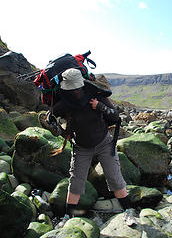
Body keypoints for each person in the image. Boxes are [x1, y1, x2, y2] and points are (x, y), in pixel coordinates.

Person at [41, 68, 137, 227]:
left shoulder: (95, 94)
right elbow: (50, 115)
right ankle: (68, 217)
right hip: (81, 147)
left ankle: (128, 212)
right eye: (72, 89)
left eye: (78, 88)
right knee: (76, 181)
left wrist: (99, 106)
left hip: (104, 143)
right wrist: (52, 122)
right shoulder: (65, 101)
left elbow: (114, 116)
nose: (76, 91)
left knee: (114, 177)